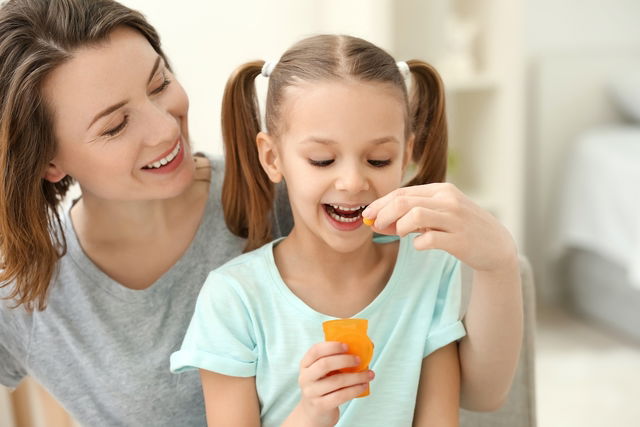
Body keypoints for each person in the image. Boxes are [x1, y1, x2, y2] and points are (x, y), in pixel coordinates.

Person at [0, 1, 521, 426]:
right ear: (47, 160)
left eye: (159, 83)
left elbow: (471, 387)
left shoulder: (298, 197)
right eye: (115, 125)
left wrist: (496, 263)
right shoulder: (24, 290)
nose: (164, 128)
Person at [170, 34, 522, 427]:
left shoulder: (427, 269)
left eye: (378, 159)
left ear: (404, 157)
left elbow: (467, 405)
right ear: (273, 157)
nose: (353, 182)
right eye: (322, 160)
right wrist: (312, 413)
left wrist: (499, 261)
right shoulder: (234, 298)